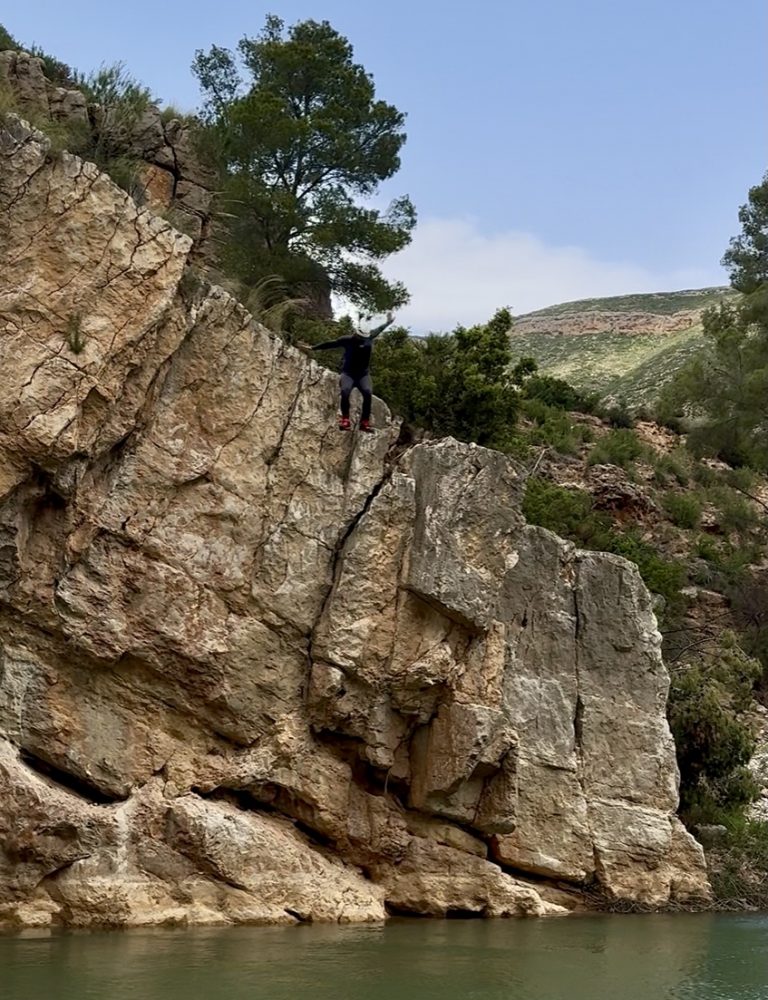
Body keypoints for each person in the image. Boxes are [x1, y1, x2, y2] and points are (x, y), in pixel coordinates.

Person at [311, 313, 395, 431]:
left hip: (363, 375)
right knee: (345, 391)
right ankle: (345, 420)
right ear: (356, 333)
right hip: (348, 373)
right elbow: (331, 344)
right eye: (360, 337)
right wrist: (314, 348)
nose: (362, 340)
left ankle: (364, 423)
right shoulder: (347, 340)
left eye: (364, 338)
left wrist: (388, 322)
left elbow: (379, 329)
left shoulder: (369, 337)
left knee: (367, 393)